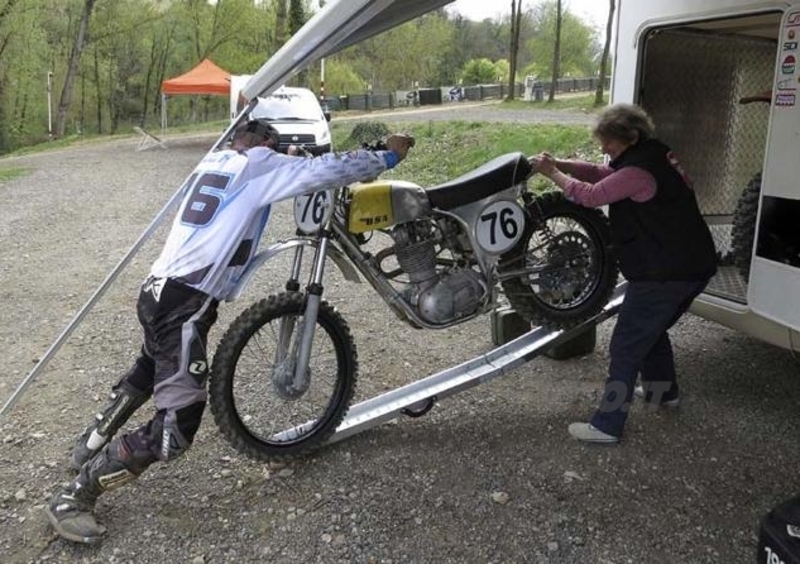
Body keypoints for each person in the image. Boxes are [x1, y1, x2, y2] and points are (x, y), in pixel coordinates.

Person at [45, 119, 415, 544]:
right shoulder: (261, 166)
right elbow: (330, 169)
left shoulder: (216, 160)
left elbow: (266, 169)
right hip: (184, 304)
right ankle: (75, 496)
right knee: (176, 429)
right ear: (265, 145)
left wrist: (284, 156)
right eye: (275, 148)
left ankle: (90, 444)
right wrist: (388, 154)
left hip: (157, 290)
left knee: (148, 370)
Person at [529, 103, 717, 444]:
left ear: (630, 137)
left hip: (666, 272)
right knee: (652, 330)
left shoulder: (639, 171)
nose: (604, 149)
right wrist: (560, 164)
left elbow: (590, 195)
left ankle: (607, 424)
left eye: (609, 144)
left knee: (626, 345)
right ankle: (663, 393)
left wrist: (551, 174)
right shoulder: (651, 156)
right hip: (691, 266)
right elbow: (601, 174)